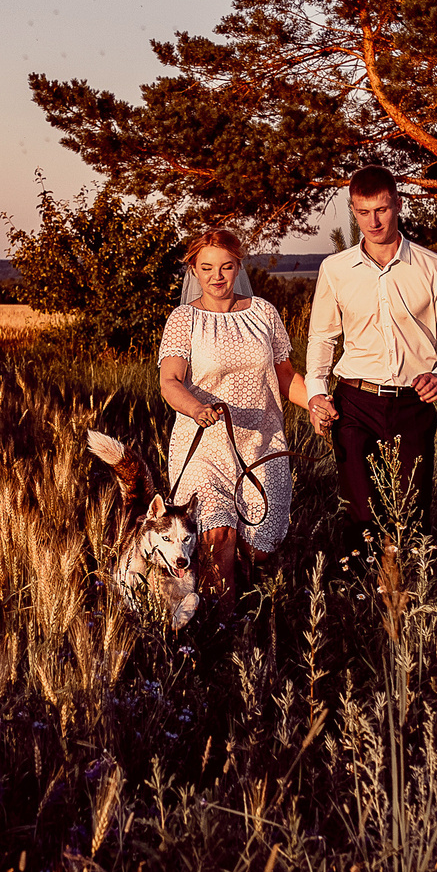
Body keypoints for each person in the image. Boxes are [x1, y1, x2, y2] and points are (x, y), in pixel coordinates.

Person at [304, 167, 437, 544]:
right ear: (353, 210)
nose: (373, 221)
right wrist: (316, 392)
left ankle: (407, 593)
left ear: (397, 204)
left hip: (411, 403)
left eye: (381, 209)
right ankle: (362, 596)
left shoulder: (434, 268)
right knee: (360, 516)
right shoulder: (335, 270)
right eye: (363, 212)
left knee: (410, 514)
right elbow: (321, 338)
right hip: (353, 403)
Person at [157, 227, 307, 610]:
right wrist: (195, 408)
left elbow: (286, 377)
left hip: (261, 442)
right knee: (217, 534)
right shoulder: (183, 319)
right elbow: (170, 381)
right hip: (203, 445)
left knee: (258, 548)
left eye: (226, 267)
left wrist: (319, 404)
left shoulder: (263, 314)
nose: (217, 276)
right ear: (193, 269)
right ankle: (225, 631)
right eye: (206, 267)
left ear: (238, 266)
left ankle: (243, 603)